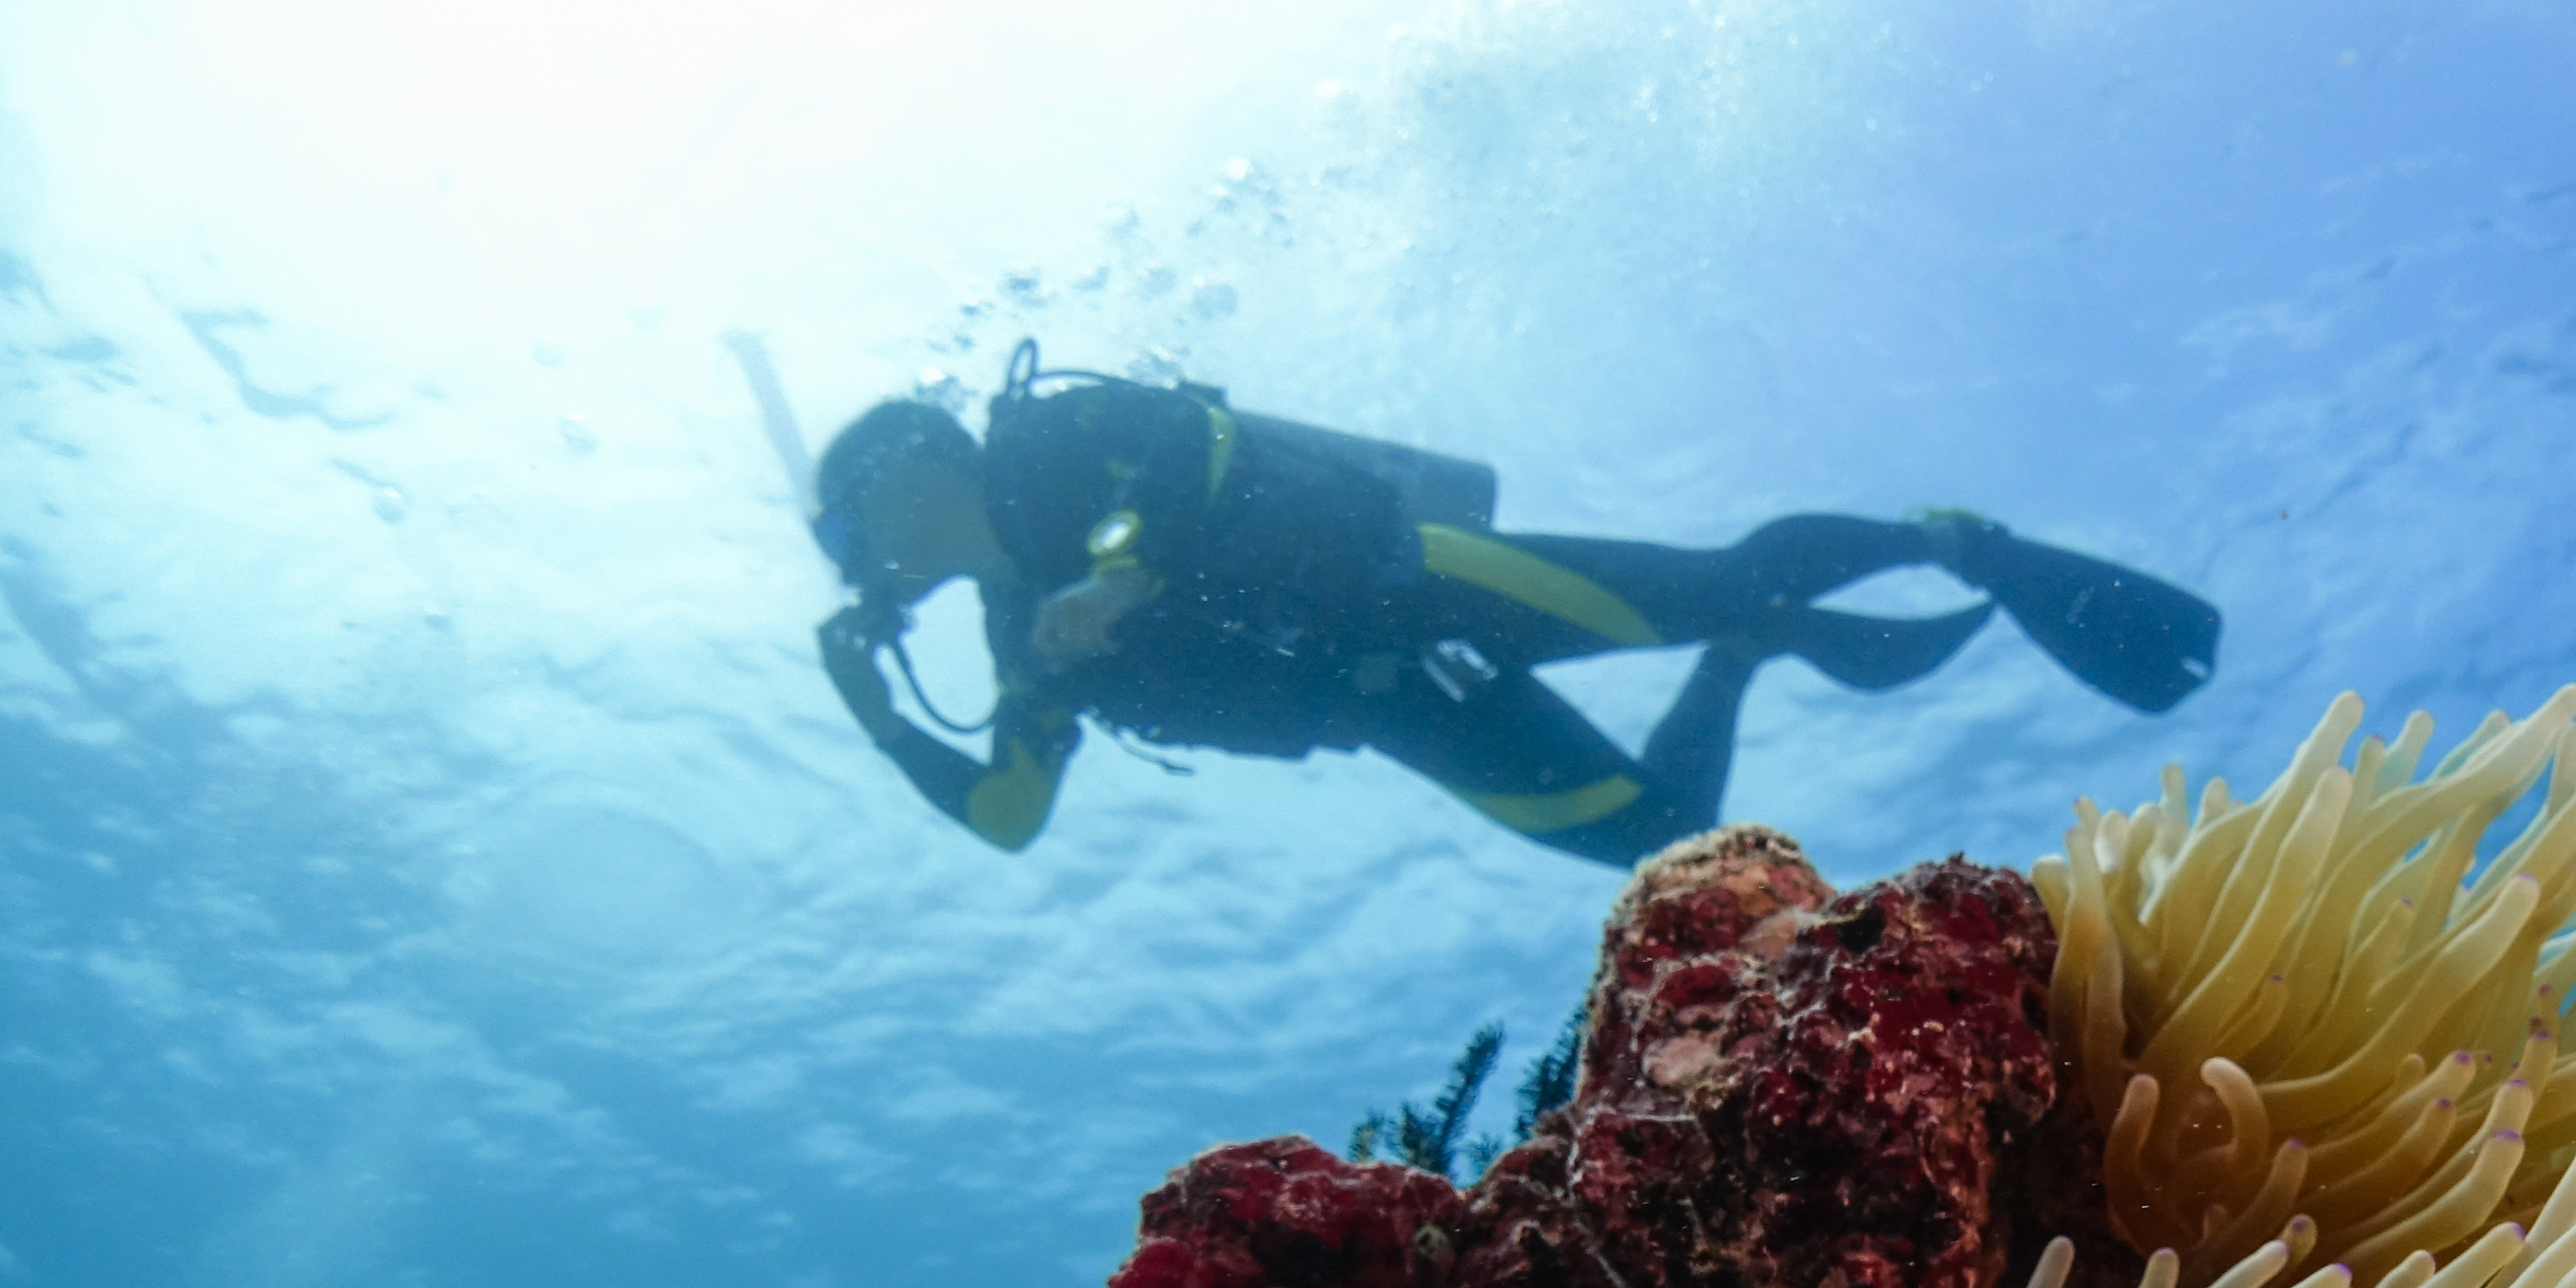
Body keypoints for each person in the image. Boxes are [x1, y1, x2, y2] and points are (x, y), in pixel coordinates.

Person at [809, 350, 2220, 867]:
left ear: (906, 468)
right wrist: (877, 714)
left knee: (1731, 570)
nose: (864, 557)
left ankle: (1955, 546)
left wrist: (1123, 563)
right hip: (1391, 711)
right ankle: (1741, 661)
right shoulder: (1016, 649)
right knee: (1660, 844)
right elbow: (1008, 817)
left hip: (1416, 579)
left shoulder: (1044, 445)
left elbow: (1201, 439)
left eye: (856, 521)